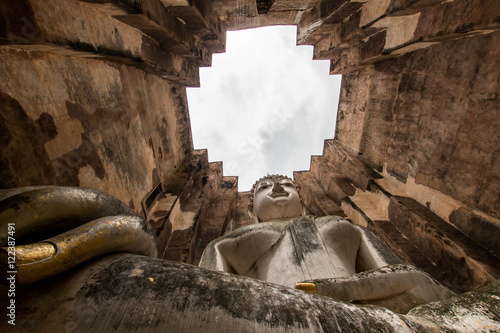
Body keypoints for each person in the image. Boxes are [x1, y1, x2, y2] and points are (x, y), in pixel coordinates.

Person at [199, 175, 454, 313]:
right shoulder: (224, 244)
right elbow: (209, 303)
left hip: (366, 312)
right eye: (264, 187)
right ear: (251, 206)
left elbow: (414, 281)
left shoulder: (343, 226)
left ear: (302, 197)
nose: (277, 187)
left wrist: (342, 290)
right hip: (275, 316)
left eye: (287, 184)